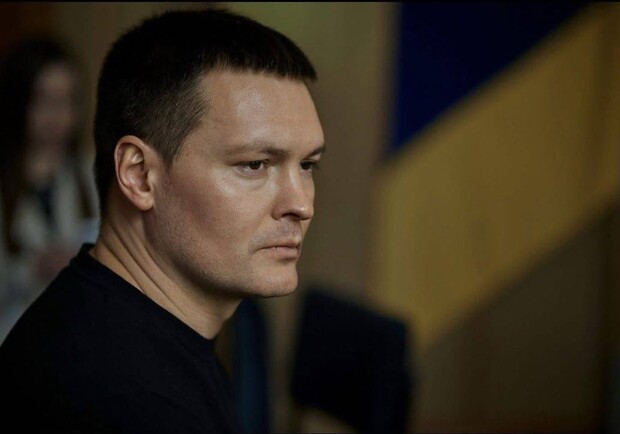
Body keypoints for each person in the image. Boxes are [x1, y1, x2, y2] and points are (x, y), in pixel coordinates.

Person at [0, 7, 325, 433]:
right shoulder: (131, 402)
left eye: (308, 165)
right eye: (254, 165)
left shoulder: (123, 330)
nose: (301, 204)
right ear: (139, 175)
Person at [0, 37, 98, 343]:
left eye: (67, 101)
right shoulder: (6, 182)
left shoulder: (92, 174)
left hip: (80, 337)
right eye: (45, 100)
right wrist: (33, 269)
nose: (58, 115)